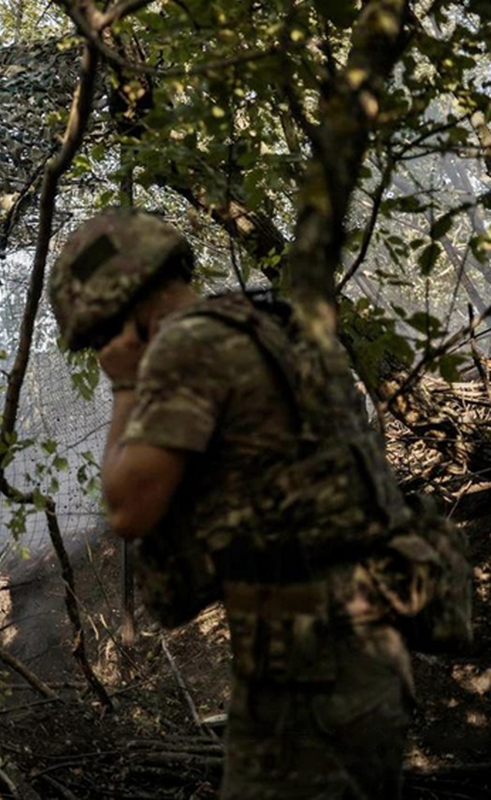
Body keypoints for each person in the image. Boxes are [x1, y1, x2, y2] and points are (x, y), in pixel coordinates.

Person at [49, 208, 413, 799]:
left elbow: (127, 508)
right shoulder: (263, 322)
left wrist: (125, 383)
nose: (101, 350)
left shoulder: (186, 350)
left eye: (98, 335)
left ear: (124, 307)